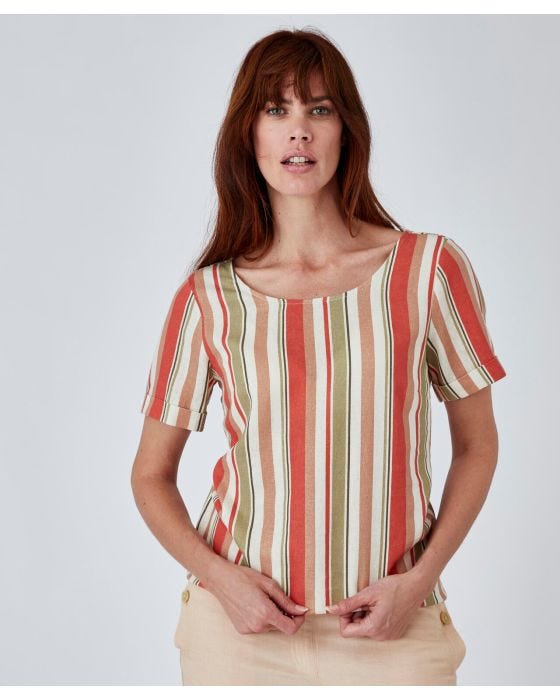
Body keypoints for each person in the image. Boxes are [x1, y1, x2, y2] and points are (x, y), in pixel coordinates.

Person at [131, 27, 507, 686]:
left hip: (394, 628)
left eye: (319, 108)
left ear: (346, 130)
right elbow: (150, 476)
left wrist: (419, 581)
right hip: (238, 636)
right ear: (249, 134)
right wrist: (223, 581)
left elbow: (477, 447)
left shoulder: (427, 271)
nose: (298, 130)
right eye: (276, 110)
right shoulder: (208, 298)